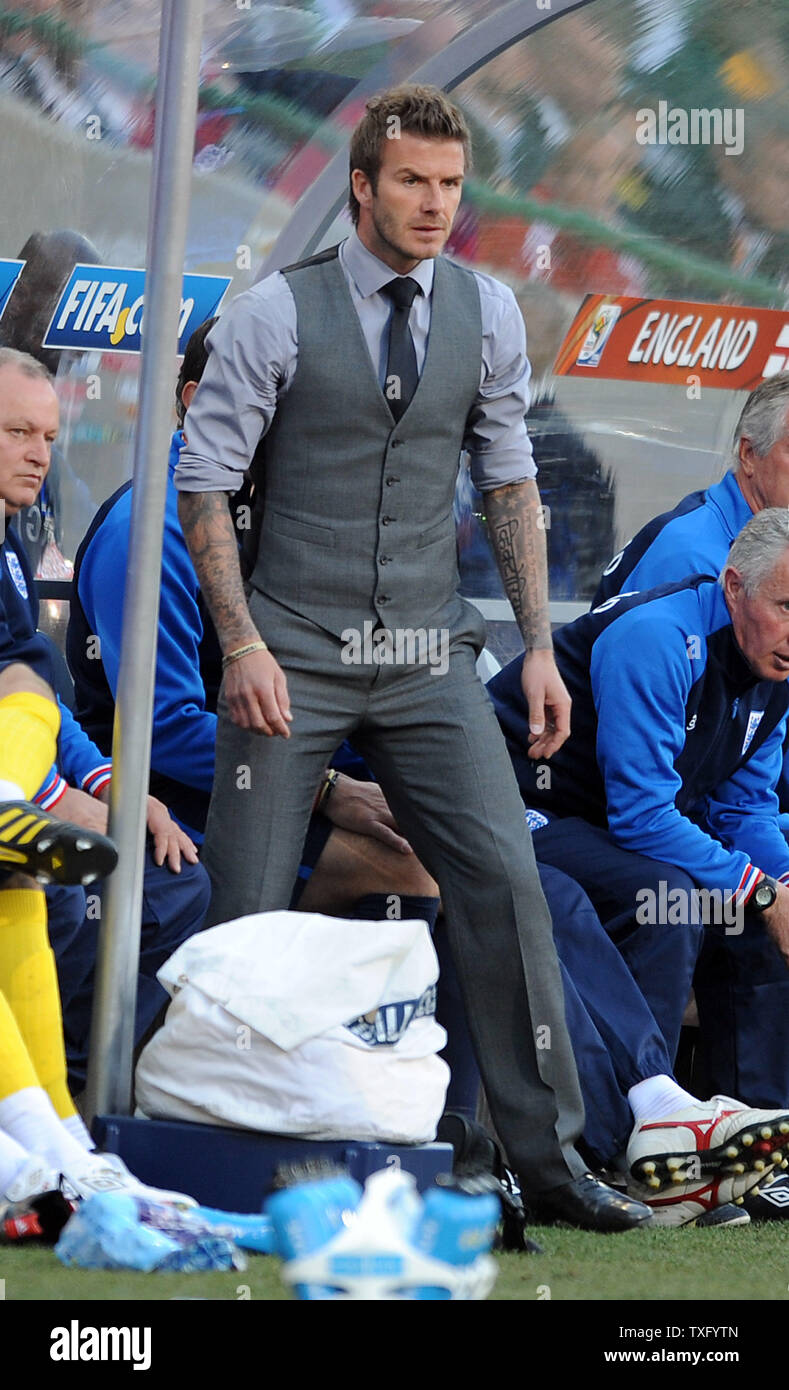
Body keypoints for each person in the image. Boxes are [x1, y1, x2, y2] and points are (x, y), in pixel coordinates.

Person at [173, 83, 650, 1231]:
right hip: (289, 640)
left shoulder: (488, 313)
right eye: (411, 183)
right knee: (245, 909)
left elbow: (509, 483)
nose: (434, 205)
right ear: (361, 186)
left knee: (505, 878)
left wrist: (538, 648)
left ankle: (547, 1160)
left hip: (430, 645)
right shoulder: (273, 314)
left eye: (449, 185)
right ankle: (234, 1150)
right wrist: (240, 642)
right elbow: (205, 485)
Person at [488, 509, 789, 1133]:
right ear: (734, 587)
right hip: (517, 804)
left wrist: (781, 890)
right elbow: (642, 816)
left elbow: (745, 809)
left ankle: (754, 1130)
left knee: (748, 910)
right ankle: (638, 1132)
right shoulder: (659, 637)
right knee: (668, 898)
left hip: (609, 823)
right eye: (787, 607)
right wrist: (762, 891)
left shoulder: (774, 663)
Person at [0, 346, 210, 1091]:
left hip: (35, 784)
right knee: (59, 894)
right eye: (17, 432)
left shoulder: (12, 546)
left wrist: (116, 786)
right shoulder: (142, 529)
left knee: (180, 879)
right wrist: (71, 804)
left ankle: (87, 1091)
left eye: (50, 439)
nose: (38, 456)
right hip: (20, 799)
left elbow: (40, 695)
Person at [0, 661, 194, 1231]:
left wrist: (100, 784)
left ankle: (62, 1132)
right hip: (36, 795)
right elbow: (174, 721)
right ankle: (38, 1152)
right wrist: (54, 795)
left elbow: (27, 677)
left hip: (23, 781)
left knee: (179, 885)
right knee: (36, 880)